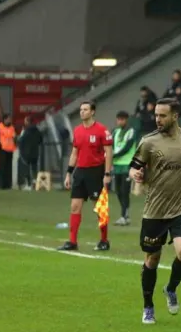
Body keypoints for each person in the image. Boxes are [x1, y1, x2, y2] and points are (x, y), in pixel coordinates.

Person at [128, 98, 181, 325]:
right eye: (156, 115)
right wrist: (135, 173)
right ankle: (148, 306)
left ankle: (171, 288)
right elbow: (134, 165)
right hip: (155, 209)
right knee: (152, 259)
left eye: (162, 115)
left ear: (175, 116)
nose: (158, 119)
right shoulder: (148, 142)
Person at [58, 101, 113, 251]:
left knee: (99, 208)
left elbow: (108, 152)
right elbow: (75, 153)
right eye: (81, 109)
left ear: (92, 112)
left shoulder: (102, 130)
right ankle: (72, 242)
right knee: (75, 206)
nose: (82, 112)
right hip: (80, 172)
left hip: (96, 171)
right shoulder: (77, 131)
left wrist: (107, 173)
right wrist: (69, 173)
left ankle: (104, 240)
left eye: (85, 109)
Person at [111, 110, 138, 225]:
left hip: (127, 165)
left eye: (122, 119)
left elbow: (127, 147)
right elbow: (110, 145)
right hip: (117, 165)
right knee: (118, 191)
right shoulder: (115, 132)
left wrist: (114, 155)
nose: (120, 121)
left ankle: (124, 216)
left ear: (126, 120)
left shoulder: (131, 131)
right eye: (119, 119)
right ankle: (125, 216)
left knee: (124, 191)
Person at [0, 114, 17, 190]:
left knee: (8, 168)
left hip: (10, 149)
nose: (10, 120)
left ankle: (8, 184)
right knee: (2, 168)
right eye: (8, 119)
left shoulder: (12, 127)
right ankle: (2, 184)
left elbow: (14, 137)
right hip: (2, 150)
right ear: (4, 120)